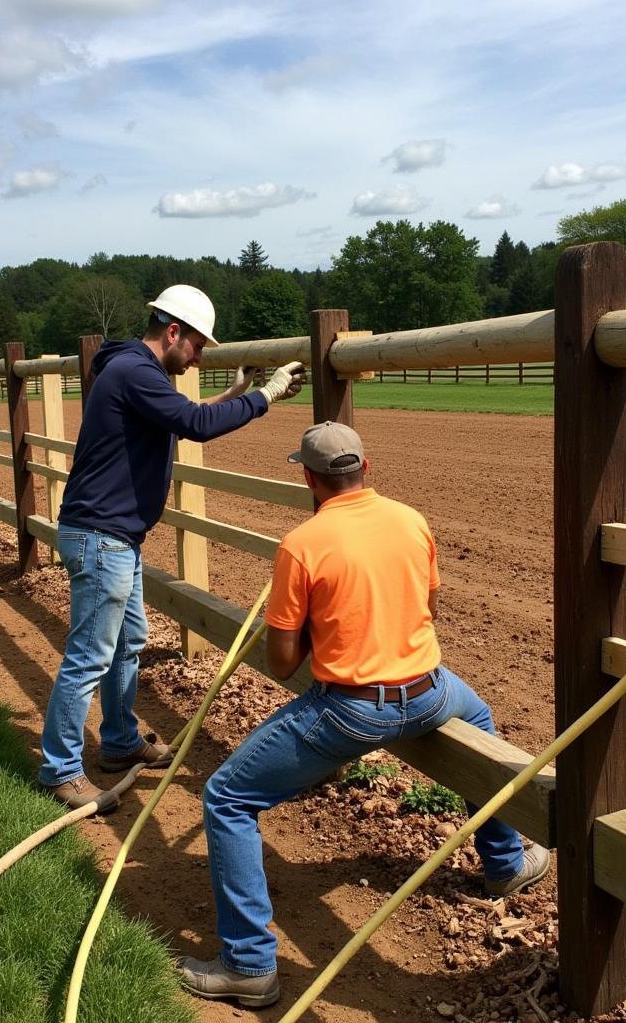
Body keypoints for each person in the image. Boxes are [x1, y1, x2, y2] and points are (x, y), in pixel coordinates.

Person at [179, 420, 550, 1008]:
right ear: (364, 468)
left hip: (354, 711)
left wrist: (307, 631)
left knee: (226, 798)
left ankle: (248, 964)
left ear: (308, 476)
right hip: (431, 691)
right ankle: (503, 861)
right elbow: (425, 606)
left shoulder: (302, 544)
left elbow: (279, 664)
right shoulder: (411, 520)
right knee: (479, 719)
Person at [38, 284, 305, 811]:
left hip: (113, 537)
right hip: (102, 538)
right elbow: (193, 425)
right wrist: (265, 397)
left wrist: (232, 397)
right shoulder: (135, 371)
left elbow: (178, 416)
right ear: (174, 332)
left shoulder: (133, 372)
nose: (201, 355)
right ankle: (60, 769)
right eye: (199, 345)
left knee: (127, 641)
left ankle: (118, 742)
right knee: (89, 657)